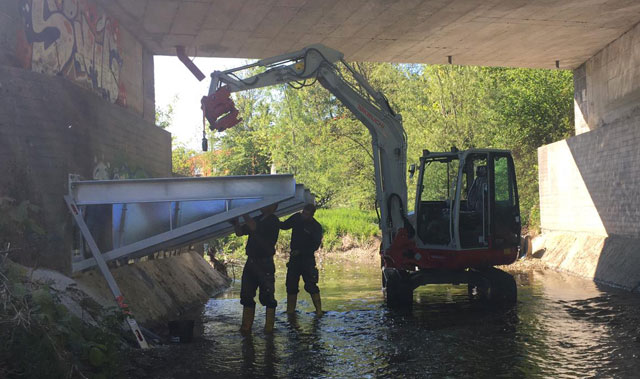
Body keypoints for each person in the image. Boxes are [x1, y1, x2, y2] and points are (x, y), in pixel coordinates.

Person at [231, 203, 280, 335]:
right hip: (251, 263)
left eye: (264, 203)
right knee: (246, 296)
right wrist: (235, 223)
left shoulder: (273, 221)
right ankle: (246, 328)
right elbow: (240, 232)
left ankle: (269, 330)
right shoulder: (258, 218)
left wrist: (244, 211)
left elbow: (253, 227)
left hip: (265, 264)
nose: (260, 205)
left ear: (273, 207)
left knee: (268, 297)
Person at [281, 203, 324, 315]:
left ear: (312, 215)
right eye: (303, 213)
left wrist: (301, 251)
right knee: (291, 285)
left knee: (311, 285)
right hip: (294, 260)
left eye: (306, 214)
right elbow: (284, 225)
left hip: (307, 260)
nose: (303, 216)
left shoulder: (316, 227)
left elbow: (315, 246)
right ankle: (290, 311)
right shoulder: (296, 218)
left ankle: (319, 311)